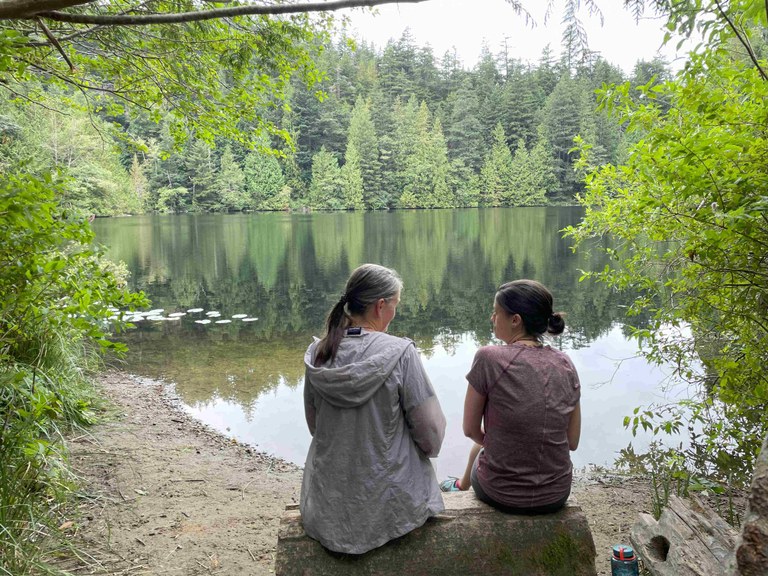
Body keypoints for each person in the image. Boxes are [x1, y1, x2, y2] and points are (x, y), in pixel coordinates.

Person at [300, 263, 446, 554]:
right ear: (381, 306)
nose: (395, 312)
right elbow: (431, 434)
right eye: (395, 304)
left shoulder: (318, 354)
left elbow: (315, 426)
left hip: (329, 506)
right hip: (387, 507)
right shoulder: (401, 353)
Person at [440, 279, 581, 516]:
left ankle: (459, 486)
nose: (492, 319)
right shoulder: (565, 363)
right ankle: (461, 484)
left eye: (496, 313)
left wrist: (506, 447)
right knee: (482, 449)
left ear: (515, 320)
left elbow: (470, 429)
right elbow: (573, 442)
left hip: (500, 494)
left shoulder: (489, 358)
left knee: (478, 448)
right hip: (556, 494)